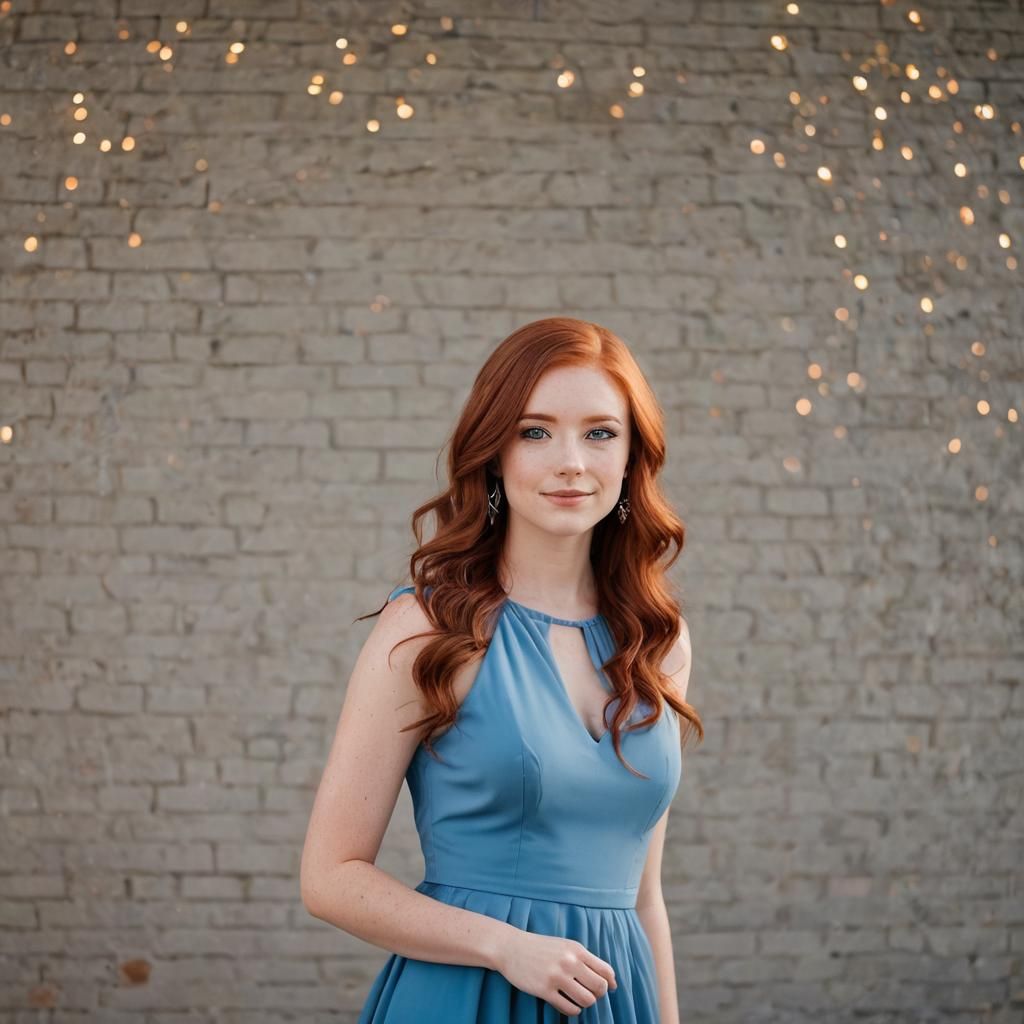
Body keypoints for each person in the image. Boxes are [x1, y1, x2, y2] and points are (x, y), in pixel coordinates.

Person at [300, 316, 703, 1022]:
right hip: (469, 997)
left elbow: (644, 895)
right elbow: (329, 878)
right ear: (494, 454)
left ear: (633, 455)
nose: (571, 460)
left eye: (600, 432)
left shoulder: (657, 642)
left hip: (617, 1003)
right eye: (535, 431)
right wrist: (504, 947)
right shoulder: (429, 629)